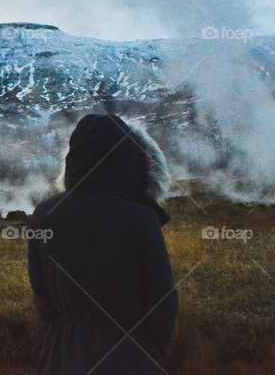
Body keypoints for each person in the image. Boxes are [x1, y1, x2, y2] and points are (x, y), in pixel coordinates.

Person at [27, 113, 179, 374]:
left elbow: (42, 296)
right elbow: (163, 303)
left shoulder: (44, 214)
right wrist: (148, 349)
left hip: (62, 355)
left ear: (74, 159)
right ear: (129, 160)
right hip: (132, 355)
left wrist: (69, 329)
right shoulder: (141, 218)